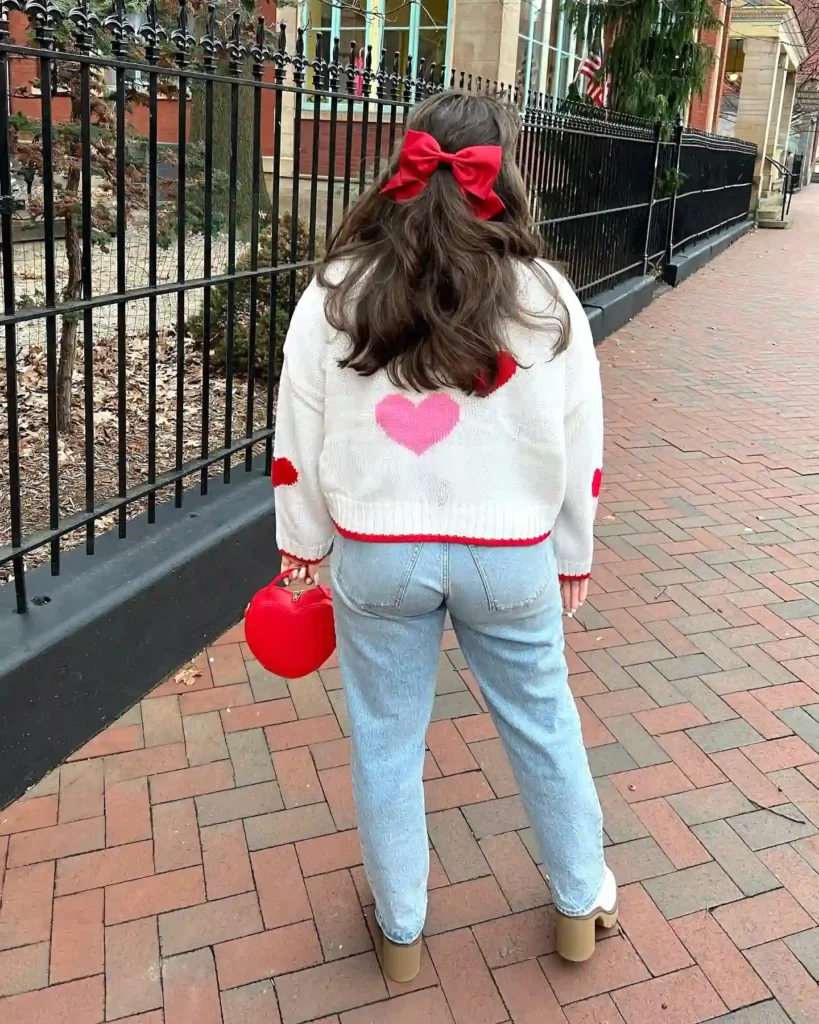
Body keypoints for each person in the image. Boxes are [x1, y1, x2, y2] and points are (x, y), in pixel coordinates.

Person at [272, 90, 614, 982]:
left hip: (378, 553)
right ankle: (579, 902)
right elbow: (581, 440)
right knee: (543, 725)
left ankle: (400, 931)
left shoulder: (337, 288)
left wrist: (300, 541)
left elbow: (298, 430)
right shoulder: (548, 297)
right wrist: (572, 548)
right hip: (509, 556)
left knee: (386, 738)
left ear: (403, 165)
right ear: (501, 172)